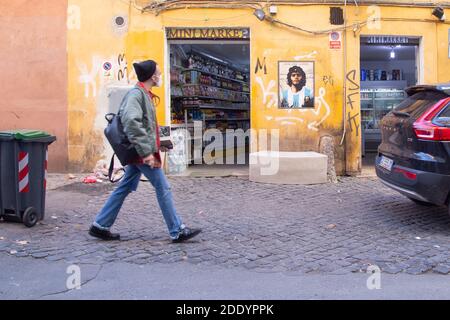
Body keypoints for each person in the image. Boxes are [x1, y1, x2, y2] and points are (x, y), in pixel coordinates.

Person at [89, 60, 201, 243]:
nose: (161, 76)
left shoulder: (143, 94)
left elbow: (146, 126)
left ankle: (100, 225)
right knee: (163, 187)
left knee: (124, 187)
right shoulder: (136, 95)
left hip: (140, 152)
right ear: (152, 76)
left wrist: (159, 144)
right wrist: (147, 153)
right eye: (159, 73)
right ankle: (177, 230)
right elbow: (131, 122)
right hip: (142, 154)